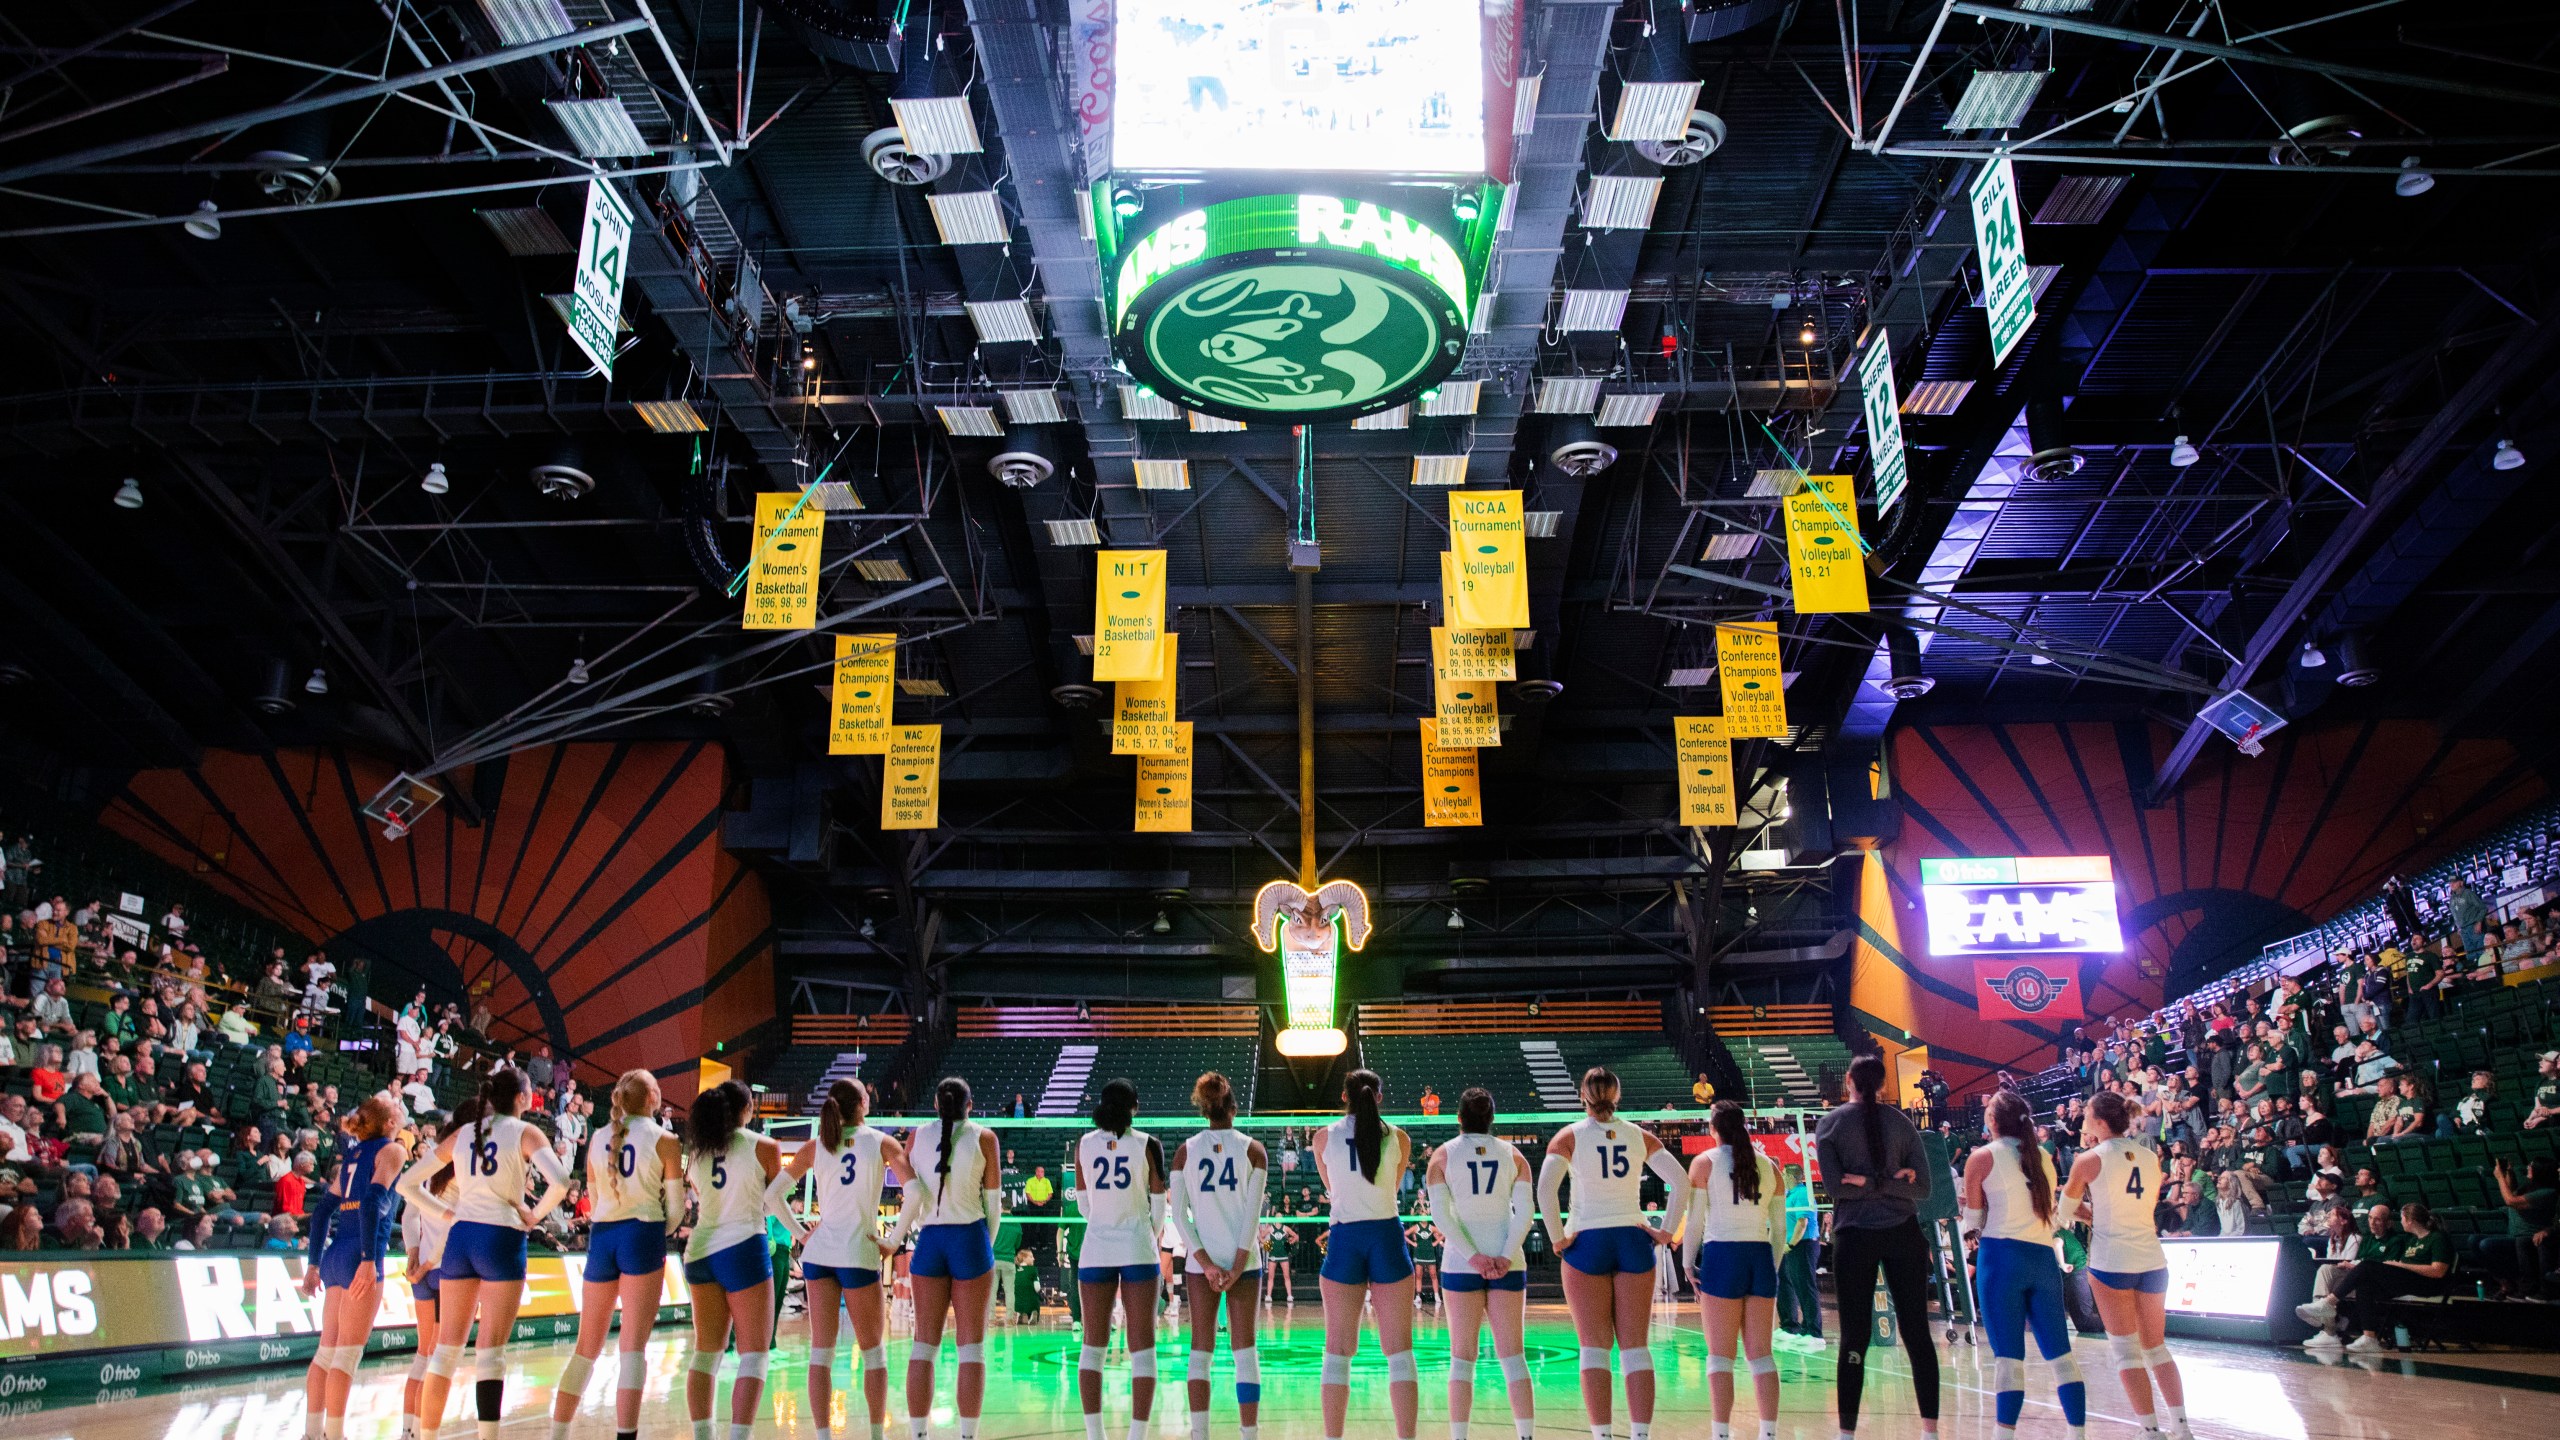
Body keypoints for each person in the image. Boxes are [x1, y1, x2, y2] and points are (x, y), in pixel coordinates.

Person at [400, 1066, 572, 1440]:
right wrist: (534, 1215)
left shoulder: (463, 1132)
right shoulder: (527, 1131)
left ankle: (423, 1435)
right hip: (501, 1238)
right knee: (490, 1353)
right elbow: (560, 1182)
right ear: (523, 1098)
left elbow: (406, 1184)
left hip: (461, 1240)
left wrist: (447, 1213)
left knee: (445, 1351)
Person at [1538, 1066, 1688, 1440]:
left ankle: (1602, 1435)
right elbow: (1681, 1182)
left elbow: (1544, 1190)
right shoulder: (1639, 1135)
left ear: (1582, 1097)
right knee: (1635, 1347)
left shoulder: (1569, 1136)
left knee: (1593, 1348)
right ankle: (1640, 1435)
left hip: (1587, 1241)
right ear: (1617, 1096)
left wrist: (1558, 1237)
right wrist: (1666, 1232)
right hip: (1632, 1239)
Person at [548, 1071, 684, 1440]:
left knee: (586, 1347)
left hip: (603, 1237)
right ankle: (626, 1435)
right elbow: (675, 1212)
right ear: (653, 1097)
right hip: (642, 1234)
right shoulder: (666, 1140)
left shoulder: (596, 1137)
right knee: (632, 1349)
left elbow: (594, 1194)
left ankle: (557, 1433)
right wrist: (663, 1229)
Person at [1813, 1054, 1939, 1440]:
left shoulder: (1829, 1125)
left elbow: (1835, 1187)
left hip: (1854, 1236)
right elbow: (1922, 1188)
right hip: (1903, 1232)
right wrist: (1891, 1181)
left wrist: (1865, 1183)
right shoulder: (1902, 1123)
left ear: (1848, 1080)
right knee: (1917, 1332)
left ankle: (1847, 1433)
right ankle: (1930, 1431)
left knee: (1854, 1336)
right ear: (1882, 1084)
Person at [782, 1078, 910, 1440]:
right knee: (873, 1353)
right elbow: (914, 1192)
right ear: (862, 1104)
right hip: (858, 1251)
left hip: (820, 1254)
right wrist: (894, 1239)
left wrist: (803, 1234)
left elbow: (773, 1195)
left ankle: (823, 1435)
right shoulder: (881, 1141)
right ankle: (875, 1435)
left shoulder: (815, 1145)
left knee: (820, 1352)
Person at [2061, 1091, 2190, 1440]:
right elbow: (2144, 1206)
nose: (2084, 1121)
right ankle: (2181, 1427)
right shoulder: (2150, 1156)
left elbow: (2064, 1210)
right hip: (2151, 1257)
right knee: (2156, 1347)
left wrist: (2093, 1217)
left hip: (2112, 1260)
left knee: (2126, 1352)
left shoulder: (2088, 1159)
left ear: (2100, 1122)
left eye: (2087, 1115)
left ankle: (2150, 1431)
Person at [1963, 1091, 2087, 1440]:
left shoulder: (1982, 1157)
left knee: (2009, 1359)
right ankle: (2078, 1434)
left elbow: (1972, 1220)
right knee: (2061, 1355)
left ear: (1992, 1121)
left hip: (2002, 1259)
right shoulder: (2044, 1158)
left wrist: (1966, 1222)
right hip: (2043, 1259)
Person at [681, 1080, 795, 1440]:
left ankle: (704, 1435)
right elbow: (774, 1200)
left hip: (700, 1250)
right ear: (747, 1109)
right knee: (754, 1353)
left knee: (706, 1353)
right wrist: (803, 1232)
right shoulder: (764, 1147)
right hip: (743, 1245)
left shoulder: (698, 1151)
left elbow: (700, 1193)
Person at [890, 1078, 1003, 1440]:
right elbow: (994, 1207)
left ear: (936, 1105)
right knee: (971, 1346)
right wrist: (983, 1245)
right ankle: (967, 1435)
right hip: (969, 1236)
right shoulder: (984, 1138)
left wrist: (897, 1237)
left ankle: (919, 1434)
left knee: (924, 1343)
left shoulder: (916, 1136)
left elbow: (910, 1193)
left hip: (930, 1240)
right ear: (970, 1105)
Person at [297, 1095, 408, 1440]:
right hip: (360, 1253)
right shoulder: (392, 1150)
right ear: (389, 1123)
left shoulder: (353, 1154)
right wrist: (369, 1260)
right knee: (346, 1356)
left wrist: (314, 1263)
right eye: (396, 1107)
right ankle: (335, 1435)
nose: (401, 1109)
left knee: (326, 1352)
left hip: (335, 1255)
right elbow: (373, 1202)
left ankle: (312, 1433)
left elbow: (320, 1213)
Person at [1316, 1069, 1420, 1440]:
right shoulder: (1399, 1138)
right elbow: (1390, 1188)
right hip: (1386, 1236)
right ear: (1379, 1096)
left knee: (1338, 1351)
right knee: (1400, 1352)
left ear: (1344, 1097)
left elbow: (1333, 1189)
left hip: (1346, 1236)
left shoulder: (1323, 1137)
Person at [1425, 1087, 1532, 1440]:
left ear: (1459, 1118)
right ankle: (1526, 1435)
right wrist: (1502, 1255)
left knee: (1462, 1358)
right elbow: (1526, 1215)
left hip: (1461, 1264)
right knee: (1513, 1356)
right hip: (1508, 1262)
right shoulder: (1514, 1155)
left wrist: (1473, 1257)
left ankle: (1459, 1437)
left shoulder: (1441, 1157)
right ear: (1492, 1119)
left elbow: (1441, 1215)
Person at [1068, 1079, 1169, 1440]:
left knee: (1093, 1346)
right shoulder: (1147, 1145)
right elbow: (1159, 1206)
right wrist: (1144, 1233)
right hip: (1138, 1247)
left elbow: (1083, 1205)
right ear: (1134, 1107)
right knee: (1143, 1347)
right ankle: (1136, 1436)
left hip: (1096, 1248)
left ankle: (1096, 1436)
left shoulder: (1084, 1144)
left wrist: (1105, 1219)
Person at [1168, 1072, 1266, 1440]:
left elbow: (1179, 1215)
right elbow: (1251, 1216)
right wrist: (1237, 1266)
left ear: (1203, 1110)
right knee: (1245, 1350)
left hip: (1199, 1266)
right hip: (1245, 1262)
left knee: (1200, 1350)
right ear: (1234, 1109)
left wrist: (1207, 1265)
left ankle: (1199, 1434)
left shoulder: (1185, 1152)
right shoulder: (1254, 1150)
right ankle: (1249, 1434)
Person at [1678, 1103, 1784, 1440]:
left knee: (1720, 1356)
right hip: (1760, 1255)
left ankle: (1721, 1434)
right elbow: (1779, 1231)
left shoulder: (1704, 1164)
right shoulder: (1770, 1167)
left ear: (1713, 1128)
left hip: (1722, 1255)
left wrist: (1686, 1262)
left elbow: (1694, 1221)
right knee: (1762, 1356)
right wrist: (1773, 1267)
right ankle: (1768, 1433)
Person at [400, 1102, 470, 1440]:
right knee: (440, 1358)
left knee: (422, 1354)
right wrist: (427, 1261)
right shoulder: (464, 1168)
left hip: (422, 1273)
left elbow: (408, 1217)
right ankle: (426, 1432)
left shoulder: (427, 1169)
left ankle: (408, 1432)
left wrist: (413, 1255)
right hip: (445, 1268)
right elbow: (453, 1226)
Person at [2324, 1202, 2453, 1352]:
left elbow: (2438, 1271)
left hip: (2428, 1283)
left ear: (2410, 1220)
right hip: (2409, 1280)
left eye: (2403, 1218)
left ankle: (2329, 1302)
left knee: (2367, 1266)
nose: (2401, 1222)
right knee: (2365, 1285)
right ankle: (2369, 1337)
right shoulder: (2412, 1240)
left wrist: (2402, 1266)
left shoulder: (2437, 1238)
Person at [1773, 1165, 1822, 1351]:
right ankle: (1795, 1327)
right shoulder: (1789, 1194)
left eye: (1784, 1174)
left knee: (1806, 1287)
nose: (1782, 1176)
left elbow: (1803, 1223)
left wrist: (1791, 1244)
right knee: (1791, 1285)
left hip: (1804, 1245)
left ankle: (1815, 1332)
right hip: (1791, 1247)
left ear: (1793, 1177)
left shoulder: (1803, 1193)